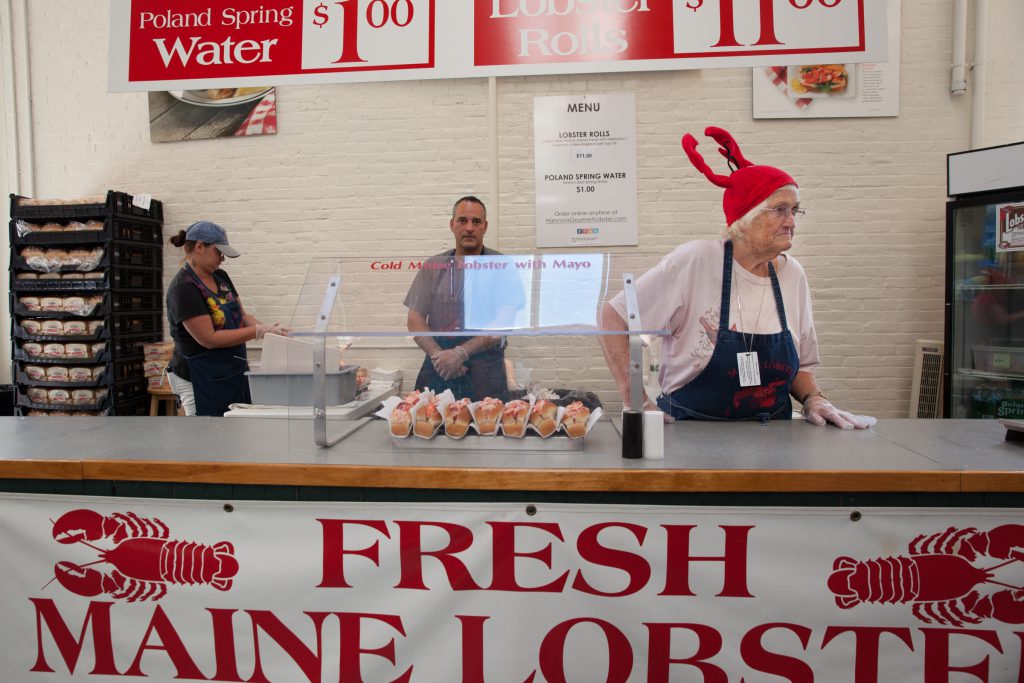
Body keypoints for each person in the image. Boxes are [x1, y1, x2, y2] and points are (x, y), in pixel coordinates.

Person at [598, 126, 875, 429]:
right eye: (780, 210)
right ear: (746, 218)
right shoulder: (696, 262)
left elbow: (801, 367)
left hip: (774, 442)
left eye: (795, 210)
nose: (792, 222)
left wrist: (814, 398)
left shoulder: (792, 275)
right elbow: (613, 316)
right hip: (690, 433)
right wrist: (635, 397)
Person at [404, 196, 524, 400]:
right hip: (438, 368)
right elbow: (414, 319)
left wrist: (461, 353)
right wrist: (438, 356)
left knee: (487, 428)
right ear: (452, 225)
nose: (469, 227)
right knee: (427, 427)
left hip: (485, 372)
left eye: (476, 222)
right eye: (462, 220)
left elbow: (504, 321)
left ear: (485, 227)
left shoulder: (503, 266)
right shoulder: (433, 266)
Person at [166, 221, 287, 416]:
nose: (222, 259)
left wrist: (269, 331)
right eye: (218, 252)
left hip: (230, 372)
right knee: (207, 438)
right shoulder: (183, 289)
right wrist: (257, 332)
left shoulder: (220, 277)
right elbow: (209, 339)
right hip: (199, 377)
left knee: (235, 435)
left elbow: (242, 316)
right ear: (199, 247)